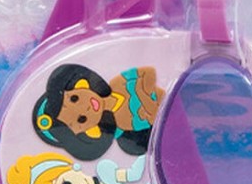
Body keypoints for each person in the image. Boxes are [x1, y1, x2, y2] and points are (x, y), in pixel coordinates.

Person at [31, 63, 164, 161]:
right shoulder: (125, 124)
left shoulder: (117, 84)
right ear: (91, 131)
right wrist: (141, 92)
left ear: (80, 84)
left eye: (74, 99)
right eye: (82, 119)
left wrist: (145, 96)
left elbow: (149, 72)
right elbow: (156, 115)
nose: (85, 108)